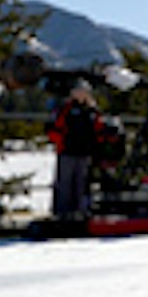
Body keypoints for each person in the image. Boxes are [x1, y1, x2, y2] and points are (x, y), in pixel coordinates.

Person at [47, 81, 101, 219]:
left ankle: (80, 211)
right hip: (67, 151)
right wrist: (61, 143)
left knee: (81, 183)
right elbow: (53, 128)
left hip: (85, 152)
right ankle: (61, 213)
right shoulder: (65, 108)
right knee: (65, 183)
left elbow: (97, 128)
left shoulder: (92, 110)